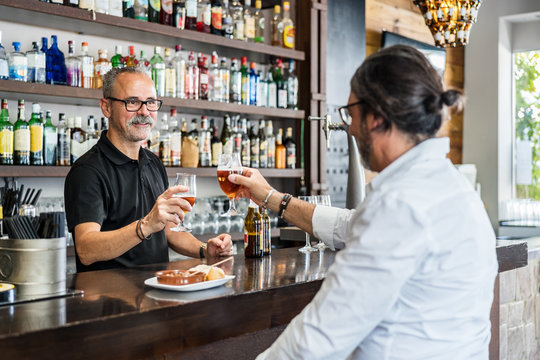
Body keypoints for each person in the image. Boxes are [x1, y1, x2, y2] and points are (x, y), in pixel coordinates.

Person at [229, 45, 498, 359]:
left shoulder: (399, 204)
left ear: (377, 117)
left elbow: (319, 337)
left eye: (351, 113)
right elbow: (349, 225)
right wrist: (272, 197)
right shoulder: (452, 186)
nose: (349, 127)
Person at [65, 66, 232, 273]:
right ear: (106, 107)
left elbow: (169, 230)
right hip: (110, 300)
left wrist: (205, 250)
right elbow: (86, 249)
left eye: (151, 103)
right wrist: (146, 225)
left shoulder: (153, 162)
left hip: (158, 290)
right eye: (133, 102)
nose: (144, 112)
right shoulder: (87, 171)